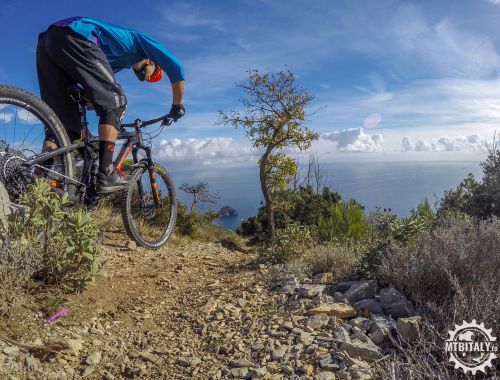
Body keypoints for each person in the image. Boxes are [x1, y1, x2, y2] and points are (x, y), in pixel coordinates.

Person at [36, 16, 185, 193]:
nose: (147, 79)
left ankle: (35, 177)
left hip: (47, 43)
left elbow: (94, 92)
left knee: (64, 128)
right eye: (152, 75)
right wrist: (177, 106)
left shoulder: (115, 63)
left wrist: (107, 118)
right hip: (76, 34)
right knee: (117, 102)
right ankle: (107, 173)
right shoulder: (140, 42)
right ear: (151, 61)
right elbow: (176, 68)